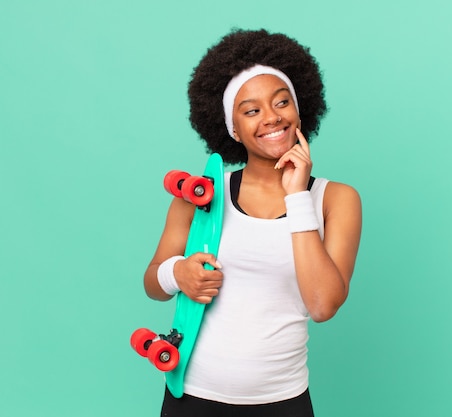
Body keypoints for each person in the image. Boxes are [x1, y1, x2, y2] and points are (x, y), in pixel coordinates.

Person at [143, 28, 362, 417]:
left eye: (282, 102)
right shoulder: (198, 196)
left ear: (299, 109)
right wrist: (179, 275)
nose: (271, 118)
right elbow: (153, 282)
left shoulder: (336, 199)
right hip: (191, 398)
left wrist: (297, 196)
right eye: (251, 110)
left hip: (284, 400)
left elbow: (323, 305)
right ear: (232, 127)